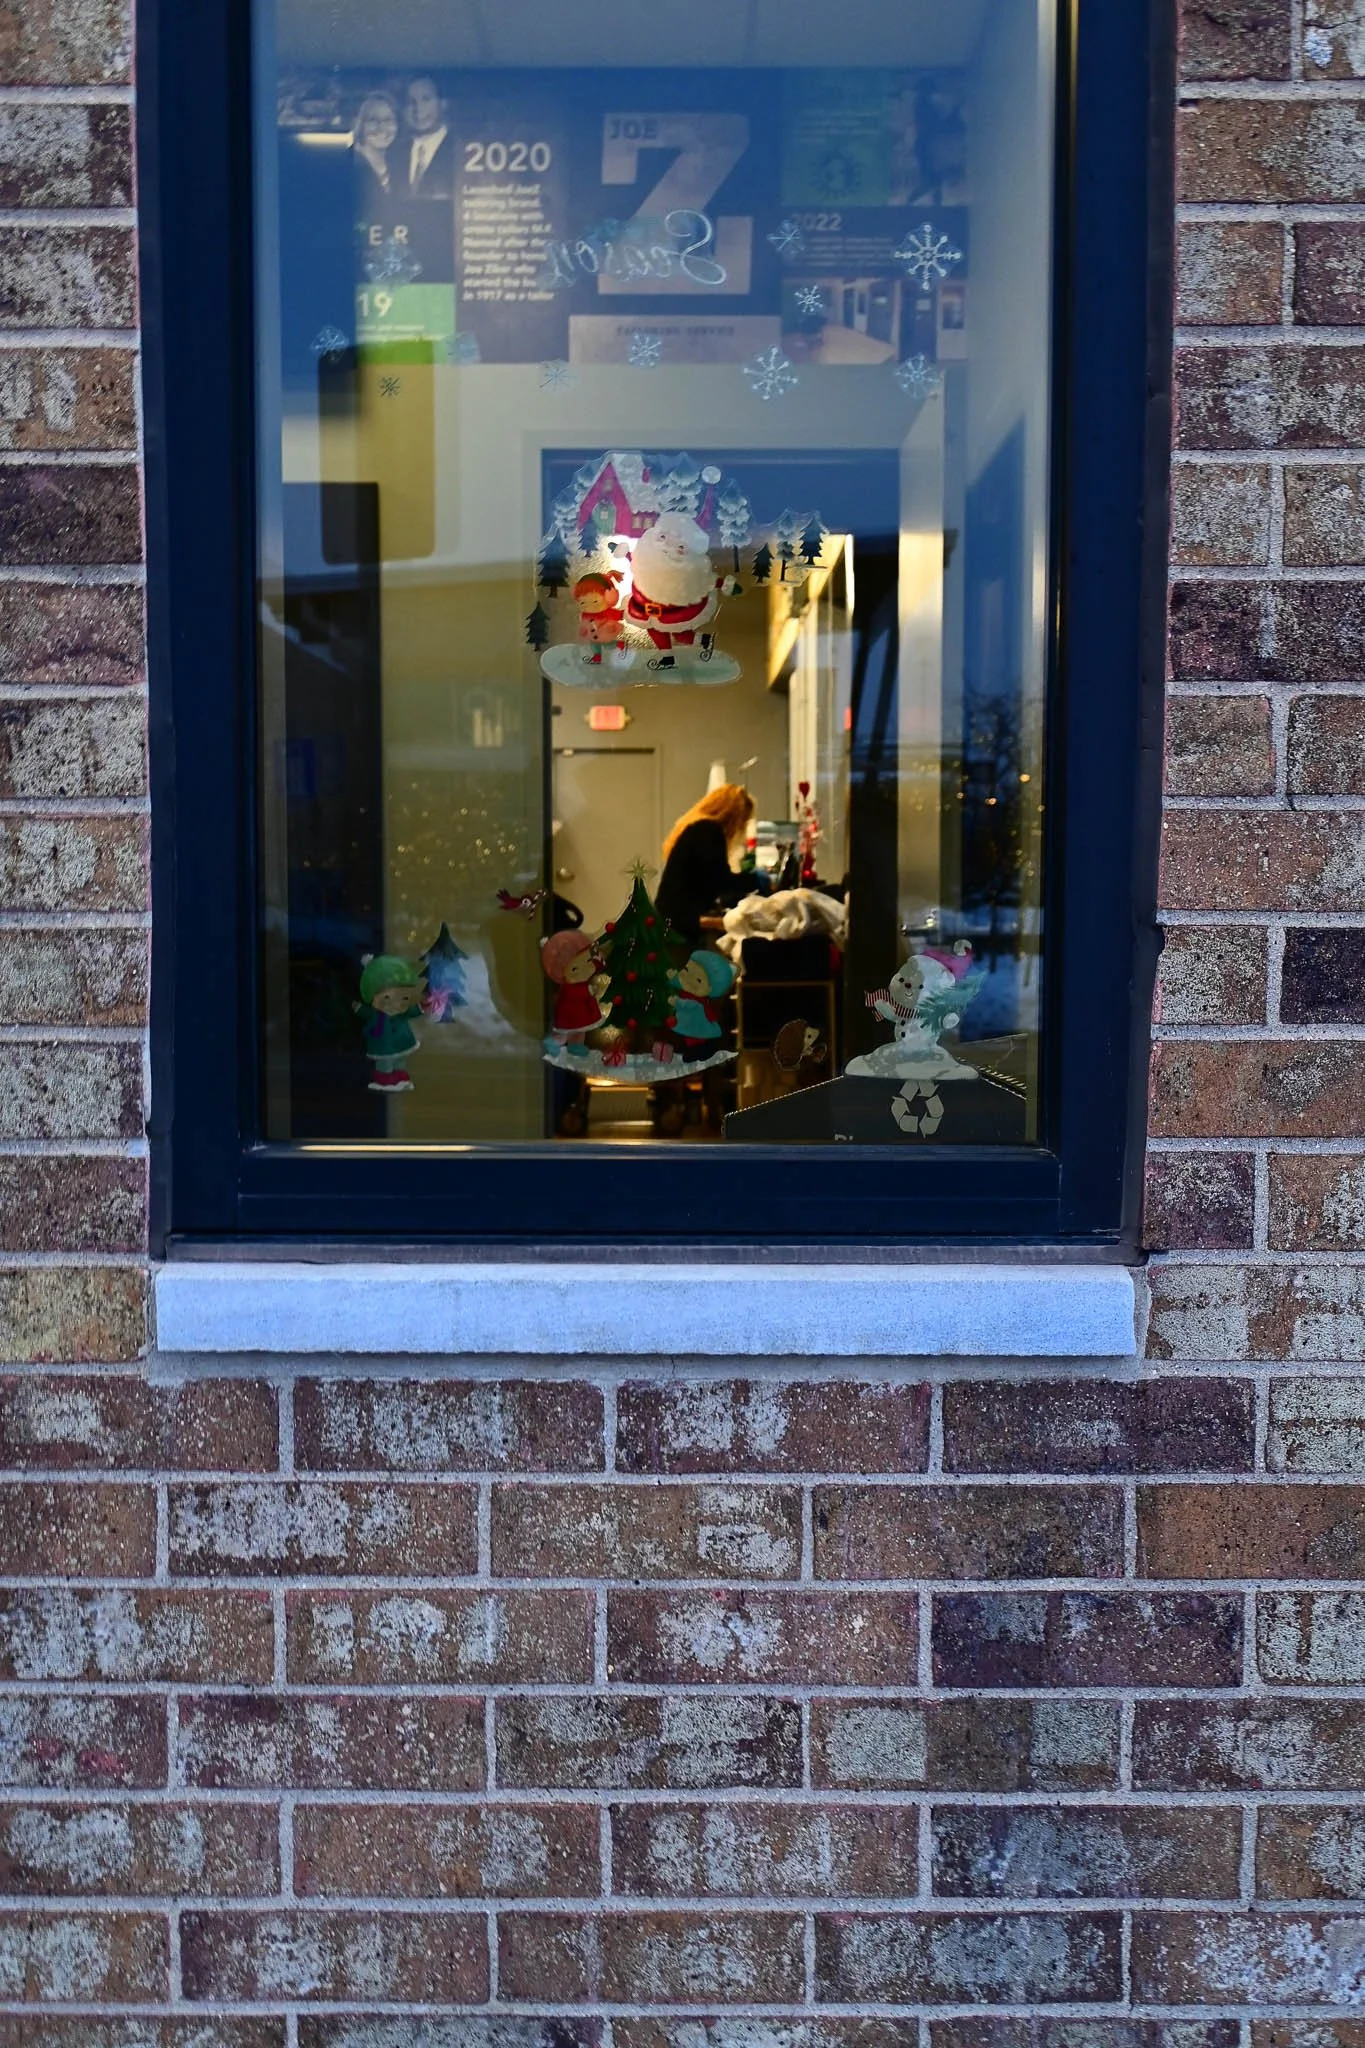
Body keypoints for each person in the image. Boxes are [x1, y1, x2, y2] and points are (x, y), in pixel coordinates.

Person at [657, 784, 767, 947]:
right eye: (743, 821)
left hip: (669, 921)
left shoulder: (698, 828)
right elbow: (721, 881)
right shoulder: (709, 831)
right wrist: (757, 880)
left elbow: (710, 880)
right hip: (679, 925)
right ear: (733, 815)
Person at [403, 76, 454, 199]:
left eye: (426, 99)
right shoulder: (393, 152)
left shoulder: (459, 150)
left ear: (443, 104)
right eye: (411, 102)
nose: (418, 109)